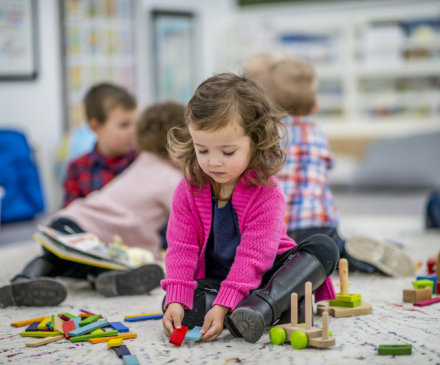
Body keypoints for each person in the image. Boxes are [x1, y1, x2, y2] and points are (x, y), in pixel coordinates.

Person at [161, 73, 339, 344]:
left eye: (227, 152)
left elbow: (254, 258)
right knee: (178, 299)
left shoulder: (267, 192)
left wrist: (222, 305)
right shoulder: (187, 190)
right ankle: (275, 309)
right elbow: (181, 249)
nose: (214, 162)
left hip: (267, 276)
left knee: (324, 248)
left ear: (255, 141)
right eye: (203, 150)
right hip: (217, 280)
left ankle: (261, 308)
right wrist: (176, 300)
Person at [0, 102, 185, 308]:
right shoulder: (172, 179)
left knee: (73, 260)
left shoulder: (142, 162)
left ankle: (33, 279)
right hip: (82, 227)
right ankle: (32, 280)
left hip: (73, 225)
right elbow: (188, 223)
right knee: (75, 258)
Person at [263, 58, 414, 276]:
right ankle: (355, 255)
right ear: (315, 105)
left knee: (283, 260)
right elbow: (324, 174)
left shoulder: (267, 136)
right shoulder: (317, 133)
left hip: (278, 231)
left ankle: (302, 262)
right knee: (332, 248)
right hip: (320, 227)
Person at [63, 83, 138, 207]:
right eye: (124, 125)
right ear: (96, 127)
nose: (133, 132)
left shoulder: (142, 161)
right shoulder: (77, 169)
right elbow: (70, 216)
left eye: (136, 124)